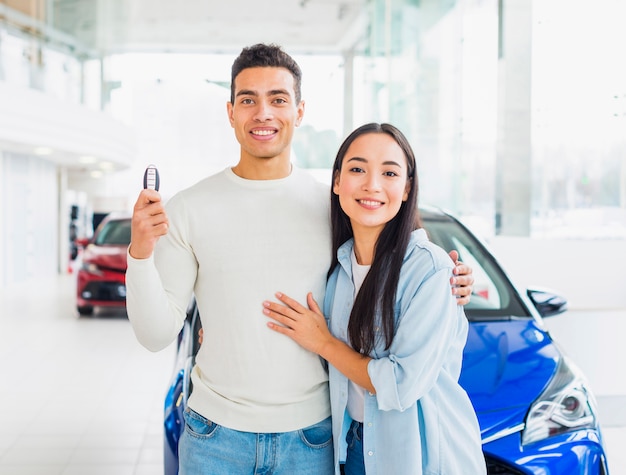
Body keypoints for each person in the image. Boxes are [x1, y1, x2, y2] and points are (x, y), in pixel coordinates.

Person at [126, 44, 475, 475]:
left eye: (278, 99)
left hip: (313, 439)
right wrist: (140, 254)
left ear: (300, 111)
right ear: (231, 111)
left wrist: (451, 278)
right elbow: (155, 333)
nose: (263, 113)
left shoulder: (334, 207)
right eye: (248, 100)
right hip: (214, 436)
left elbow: (389, 256)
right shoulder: (188, 208)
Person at [262, 123, 486, 474]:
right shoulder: (338, 271)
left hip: (421, 456)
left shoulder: (430, 269)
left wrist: (323, 342)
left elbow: (400, 383)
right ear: (337, 182)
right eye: (357, 169)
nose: (372, 185)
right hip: (355, 450)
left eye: (389, 172)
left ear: (407, 187)